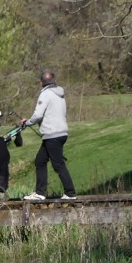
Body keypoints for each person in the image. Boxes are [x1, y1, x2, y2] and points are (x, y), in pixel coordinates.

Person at [22, 69, 77, 201]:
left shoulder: (45, 94)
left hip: (52, 135)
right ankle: (40, 193)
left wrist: (27, 122)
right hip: (60, 133)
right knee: (40, 161)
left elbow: (38, 115)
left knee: (58, 164)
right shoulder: (60, 94)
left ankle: (70, 193)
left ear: (42, 83)